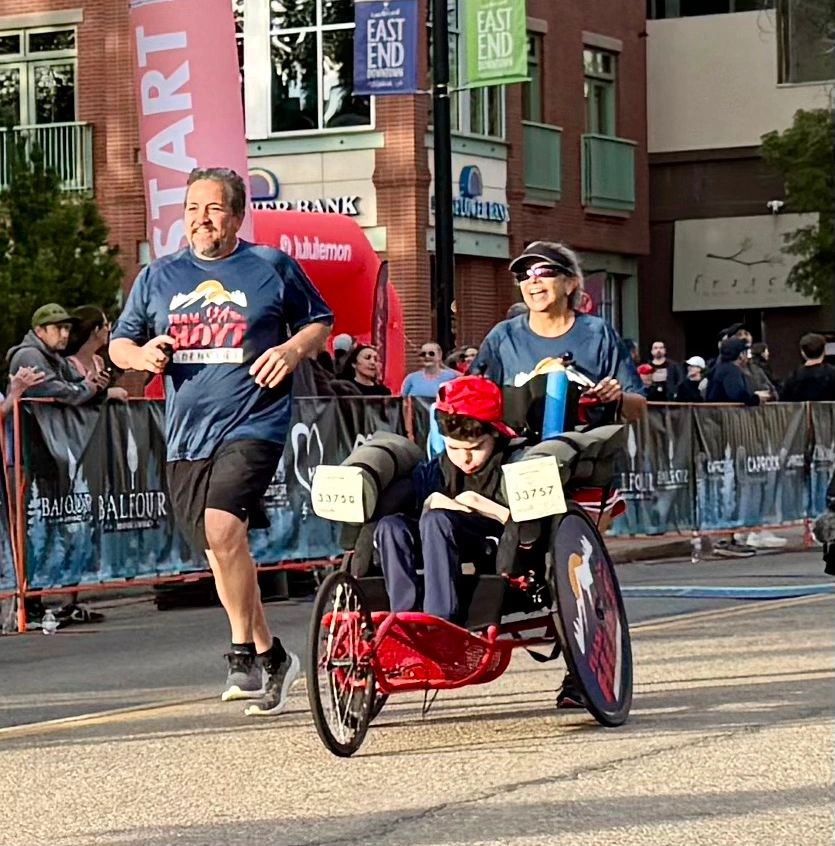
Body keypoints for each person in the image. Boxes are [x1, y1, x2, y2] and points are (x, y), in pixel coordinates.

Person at [109, 166, 334, 716]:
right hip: (187, 432)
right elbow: (120, 342)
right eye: (191, 209)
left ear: (236, 215)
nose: (200, 219)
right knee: (222, 553)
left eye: (212, 209)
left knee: (222, 528)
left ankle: (240, 656)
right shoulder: (157, 276)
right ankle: (271, 654)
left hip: (255, 420)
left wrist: (291, 351)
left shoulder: (269, 266)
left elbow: (320, 320)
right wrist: (141, 358)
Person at [470, 240, 645, 712]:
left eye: (544, 272)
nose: (533, 281)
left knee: (574, 567)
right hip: (517, 466)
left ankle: (580, 673)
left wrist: (614, 394)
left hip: (583, 467)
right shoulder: (503, 338)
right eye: (524, 274)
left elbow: (638, 405)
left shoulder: (597, 334)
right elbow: (473, 394)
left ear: (571, 283)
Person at [374, 375, 518, 621]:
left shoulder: (511, 463)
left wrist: (476, 503)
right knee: (391, 526)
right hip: (438, 538)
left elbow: (523, 524)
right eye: (454, 448)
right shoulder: (438, 468)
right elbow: (421, 508)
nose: (464, 459)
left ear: (495, 435)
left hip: (488, 539)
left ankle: (439, 618)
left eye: (475, 449)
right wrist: (431, 502)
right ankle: (403, 615)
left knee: (437, 520)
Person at [7, 303, 110, 405]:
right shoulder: (29, 355)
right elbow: (55, 391)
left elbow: (77, 380)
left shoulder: (54, 356)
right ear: (39, 331)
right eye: (58, 328)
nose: (65, 335)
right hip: (36, 421)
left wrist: (97, 386)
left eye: (67, 328)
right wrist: (88, 388)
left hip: (49, 420)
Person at [66, 306, 129, 402]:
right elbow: (70, 395)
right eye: (106, 325)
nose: (109, 330)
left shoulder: (99, 361)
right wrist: (107, 394)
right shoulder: (68, 364)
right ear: (96, 330)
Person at [705, 338, 765, 405]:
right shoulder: (731, 370)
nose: (747, 356)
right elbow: (737, 394)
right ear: (741, 355)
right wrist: (756, 398)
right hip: (723, 413)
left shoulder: (718, 367)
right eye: (745, 352)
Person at [781, 333, 835, 402]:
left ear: (802, 353)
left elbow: (784, 402)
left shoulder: (794, 377)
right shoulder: (832, 373)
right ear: (824, 351)